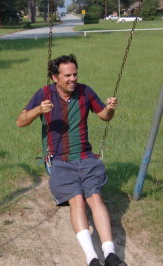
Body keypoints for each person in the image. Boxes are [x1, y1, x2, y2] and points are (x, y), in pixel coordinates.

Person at [16, 54, 126, 266]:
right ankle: (91, 258)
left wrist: (110, 108)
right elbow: (20, 122)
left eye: (75, 74)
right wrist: (39, 110)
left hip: (86, 156)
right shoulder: (44, 94)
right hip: (60, 160)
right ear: (55, 77)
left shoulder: (85, 91)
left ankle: (110, 253)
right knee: (76, 199)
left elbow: (104, 116)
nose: (73, 79)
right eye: (67, 75)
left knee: (95, 197)